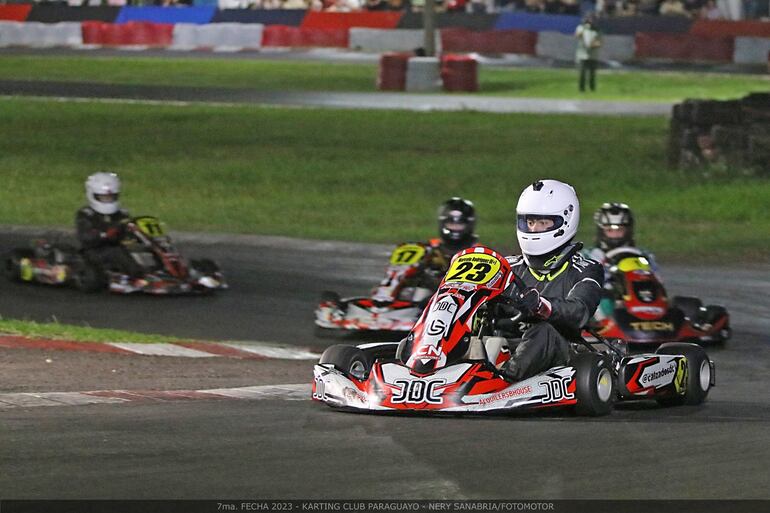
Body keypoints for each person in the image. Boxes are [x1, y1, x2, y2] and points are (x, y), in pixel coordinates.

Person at [495, 179, 604, 382]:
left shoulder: (586, 269)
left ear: (565, 221)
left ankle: (502, 383)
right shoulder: (506, 267)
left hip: (559, 350)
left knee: (545, 329)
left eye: (543, 223)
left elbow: (579, 311)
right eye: (530, 222)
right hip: (504, 345)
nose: (534, 229)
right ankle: (423, 366)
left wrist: (541, 306)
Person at [76, 172, 143, 283]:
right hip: (94, 252)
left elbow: (129, 229)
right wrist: (105, 234)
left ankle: (171, 272)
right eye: (104, 197)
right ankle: (138, 274)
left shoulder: (122, 213)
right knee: (115, 251)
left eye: (111, 197)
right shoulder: (86, 214)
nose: (108, 200)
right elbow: (85, 237)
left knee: (148, 248)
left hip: (118, 247)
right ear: (93, 195)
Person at [574, 15, 602, 93]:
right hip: (582, 54)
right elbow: (577, 35)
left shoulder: (597, 31)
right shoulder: (581, 27)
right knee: (582, 73)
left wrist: (593, 45)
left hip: (593, 55)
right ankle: (581, 89)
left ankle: (592, 88)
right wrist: (584, 29)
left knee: (592, 74)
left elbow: (599, 42)